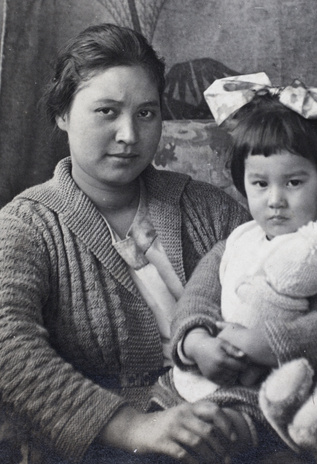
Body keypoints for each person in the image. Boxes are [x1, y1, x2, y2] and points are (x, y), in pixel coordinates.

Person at [0, 23, 255, 464]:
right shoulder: (26, 225)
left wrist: (244, 416)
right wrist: (133, 426)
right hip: (100, 448)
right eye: (106, 111)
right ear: (62, 114)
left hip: (229, 430)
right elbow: (8, 345)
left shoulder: (210, 210)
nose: (129, 135)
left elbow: (277, 301)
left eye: (146, 113)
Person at [168, 73, 317, 450]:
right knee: (165, 410)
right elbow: (196, 299)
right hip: (213, 368)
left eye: (293, 183)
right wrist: (196, 343)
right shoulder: (235, 244)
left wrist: (261, 344)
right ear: (243, 184)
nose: (275, 199)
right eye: (260, 184)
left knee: (222, 431)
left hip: (274, 385)